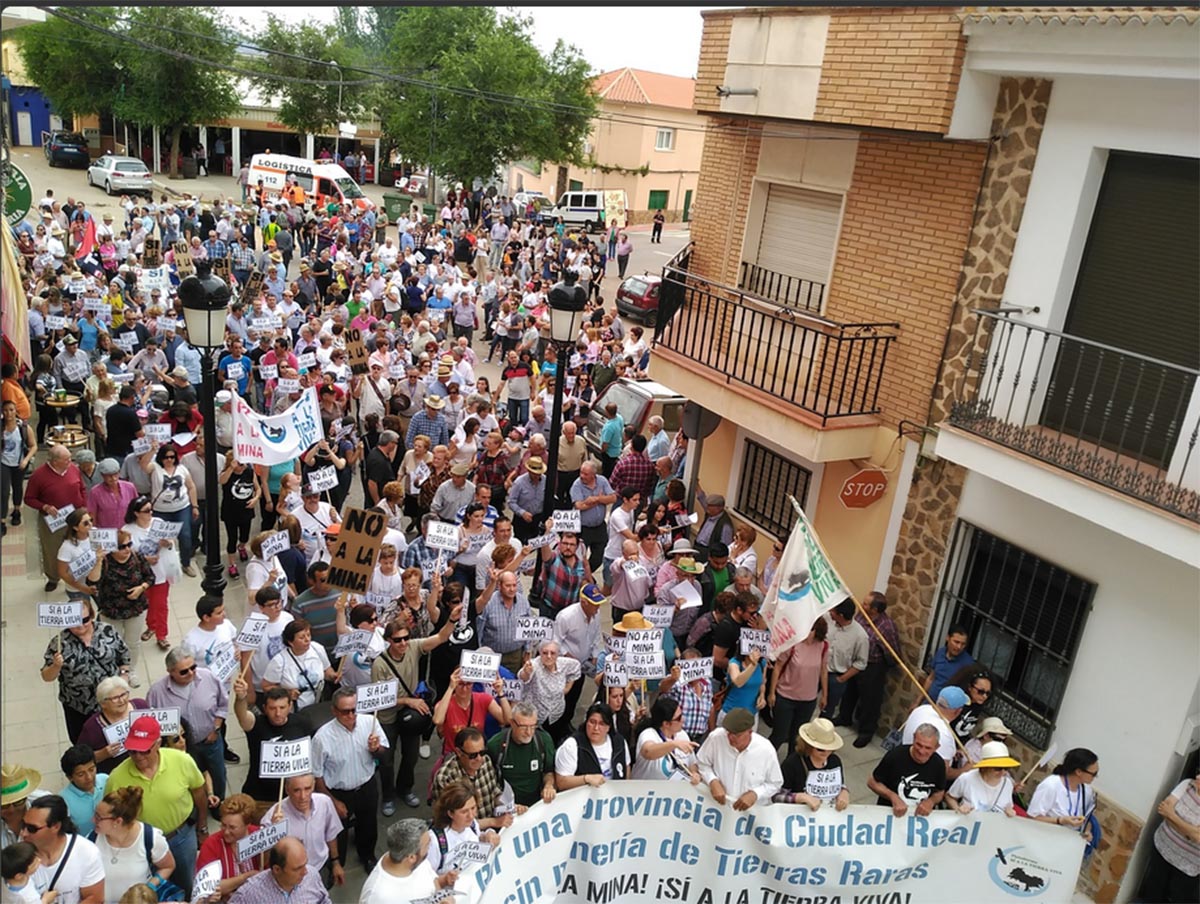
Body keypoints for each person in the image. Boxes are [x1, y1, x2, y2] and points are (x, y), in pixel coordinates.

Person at [107, 715, 208, 896]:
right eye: (132, 751)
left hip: (181, 837)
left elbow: (199, 793)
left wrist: (202, 827)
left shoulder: (182, 760)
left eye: (144, 750)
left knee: (187, 883)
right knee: (150, 891)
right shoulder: (116, 777)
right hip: (142, 844)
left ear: (158, 743)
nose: (138, 756)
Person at [371, 612, 460, 813]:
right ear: (388, 641)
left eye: (405, 638)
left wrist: (452, 620)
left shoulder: (413, 647)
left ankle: (405, 788)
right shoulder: (380, 664)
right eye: (397, 640)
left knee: (411, 756)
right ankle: (388, 796)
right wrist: (407, 700)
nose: (403, 643)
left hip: (411, 716)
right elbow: (378, 697)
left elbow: (440, 638)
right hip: (387, 717)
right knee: (387, 760)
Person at [311, 688, 389, 875]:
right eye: (345, 711)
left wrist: (376, 749)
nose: (351, 715)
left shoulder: (370, 722)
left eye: (354, 709)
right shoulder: (322, 738)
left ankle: (368, 855)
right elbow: (317, 774)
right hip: (338, 792)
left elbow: (384, 753)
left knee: (368, 824)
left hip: (366, 785)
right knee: (338, 832)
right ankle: (337, 862)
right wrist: (332, 802)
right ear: (334, 711)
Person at [41, 595, 133, 743]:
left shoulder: (107, 631)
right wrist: (55, 666)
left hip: (112, 701)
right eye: (74, 622)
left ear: (91, 616)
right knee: (82, 742)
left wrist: (124, 674)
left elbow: (124, 655)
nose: (81, 626)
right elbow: (46, 676)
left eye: (85, 620)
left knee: (118, 741)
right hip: (78, 706)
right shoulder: (59, 643)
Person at [147, 648, 230, 803]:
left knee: (218, 773)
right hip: (179, 749)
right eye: (184, 672)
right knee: (187, 779)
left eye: (193, 667)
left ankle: (219, 802)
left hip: (210, 740)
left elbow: (223, 705)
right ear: (170, 671)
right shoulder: (156, 693)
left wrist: (216, 728)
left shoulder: (208, 677)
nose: (191, 673)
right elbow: (152, 723)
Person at [90, 786, 177, 900]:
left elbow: (168, 866)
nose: (93, 820)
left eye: (98, 817)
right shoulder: (92, 839)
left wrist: (148, 887)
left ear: (118, 821)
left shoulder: (151, 838)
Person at [24, 443, 88, 592]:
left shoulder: (73, 469)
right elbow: (29, 498)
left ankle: (79, 574)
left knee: (79, 546)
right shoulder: (38, 476)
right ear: (54, 461)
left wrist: (84, 507)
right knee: (52, 549)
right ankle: (53, 577)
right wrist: (45, 507)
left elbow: (82, 489)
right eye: (66, 459)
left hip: (76, 515)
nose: (70, 462)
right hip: (53, 520)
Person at [19, 795, 105, 904]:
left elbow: (94, 898)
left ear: (56, 826)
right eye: (23, 825)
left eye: (32, 829)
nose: (23, 833)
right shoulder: (19, 854)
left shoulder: (86, 852)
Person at [840, 591, 900, 748]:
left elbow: (894, 652)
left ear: (875, 610)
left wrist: (883, 666)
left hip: (873, 666)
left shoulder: (887, 627)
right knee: (849, 691)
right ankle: (844, 717)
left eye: (866, 603)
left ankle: (866, 732)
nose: (862, 604)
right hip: (855, 660)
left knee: (870, 701)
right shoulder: (861, 615)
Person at [260, 774, 343, 888]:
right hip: (290, 877)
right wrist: (273, 832)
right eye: (296, 790)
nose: (303, 796)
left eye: (307, 788)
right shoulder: (273, 816)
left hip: (320, 867)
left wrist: (336, 862)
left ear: (313, 786)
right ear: (287, 790)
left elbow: (331, 834)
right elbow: (264, 860)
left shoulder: (324, 802)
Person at [696, 708, 782, 811]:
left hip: (751, 813)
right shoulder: (716, 738)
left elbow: (775, 783)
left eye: (737, 735)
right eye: (728, 733)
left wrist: (756, 794)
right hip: (718, 809)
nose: (730, 737)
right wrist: (712, 781)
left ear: (750, 732)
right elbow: (702, 763)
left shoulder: (766, 750)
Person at [359, 819, 457, 903]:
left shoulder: (419, 861)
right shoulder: (377, 896)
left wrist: (444, 881)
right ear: (411, 857)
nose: (430, 847)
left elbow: (433, 883)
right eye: (428, 845)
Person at [767, 618, 828, 753]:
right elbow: (778, 666)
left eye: (810, 629)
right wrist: (771, 693)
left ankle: (791, 767)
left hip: (808, 699)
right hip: (785, 696)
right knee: (779, 734)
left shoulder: (823, 646)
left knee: (798, 736)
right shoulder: (792, 644)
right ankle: (765, 759)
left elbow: (823, 671)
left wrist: (824, 695)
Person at [195, 794, 266, 901]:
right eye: (223, 825)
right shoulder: (211, 845)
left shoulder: (260, 836)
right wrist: (244, 878)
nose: (226, 832)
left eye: (232, 827)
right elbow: (207, 887)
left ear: (247, 825)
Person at [487, 701, 557, 809]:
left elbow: (548, 771)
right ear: (512, 723)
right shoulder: (496, 745)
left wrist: (548, 785)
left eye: (533, 726)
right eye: (523, 727)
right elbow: (490, 783)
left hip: (537, 805)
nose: (529, 732)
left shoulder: (544, 741)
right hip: (508, 807)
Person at [867, 723, 947, 817]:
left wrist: (931, 801)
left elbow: (940, 792)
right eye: (918, 745)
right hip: (890, 815)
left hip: (920, 819)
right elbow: (872, 782)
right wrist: (892, 796)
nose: (921, 751)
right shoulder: (895, 756)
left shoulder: (939, 764)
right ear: (913, 738)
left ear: (937, 747)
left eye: (928, 748)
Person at [1144, 773, 1200, 904]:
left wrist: (1173, 816)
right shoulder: (1186, 785)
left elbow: (1198, 838)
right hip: (1162, 848)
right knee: (1153, 891)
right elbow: (1164, 810)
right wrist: (1191, 831)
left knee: (1179, 897)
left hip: (1188, 866)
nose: (1197, 776)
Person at [424, 781, 499, 876]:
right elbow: (427, 877)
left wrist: (488, 834)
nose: (471, 816)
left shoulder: (472, 826)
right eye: (464, 812)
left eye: (473, 808)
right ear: (450, 813)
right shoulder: (435, 841)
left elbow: (478, 838)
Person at [774, 718, 850, 811]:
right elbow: (776, 796)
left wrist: (844, 792)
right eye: (820, 749)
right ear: (808, 746)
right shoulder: (792, 763)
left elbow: (839, 784)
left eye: (830, 748)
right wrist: (799, 797)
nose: (826, 752)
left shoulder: (835, 761)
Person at [227, 837, 331, 904]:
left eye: (305, 864)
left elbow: (324, 901)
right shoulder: (249, 894)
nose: (305, 872)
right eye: (297, 868)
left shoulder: (312, 876)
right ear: (277, 869)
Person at [77, 677, 148, 775]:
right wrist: (103, 754)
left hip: (148, 765)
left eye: (124, 694)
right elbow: (80, 758)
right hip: (118, 774)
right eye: (115, 698)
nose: (122, 700)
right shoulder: (92, 727)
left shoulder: (141, 706)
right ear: (103, 704)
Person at [261, 619, 335, 713]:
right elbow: (266, 686)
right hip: (295, 710)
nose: (307, 640)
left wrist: (333, 676)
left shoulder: (317, 649)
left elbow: (327, 671)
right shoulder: (279, 661)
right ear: (291, 642)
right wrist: (287, 693)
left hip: (318, 705)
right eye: (302, 637)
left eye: (308, 635)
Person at [554, 703, 630, 790]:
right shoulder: (572, 745)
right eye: (592, 722)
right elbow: (561, 782)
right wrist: (585, 779)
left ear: (608, 727)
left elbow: (626, 769)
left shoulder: (620, 742)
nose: (596, 728)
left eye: (601, 724)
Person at [1027, 747, 1100, 838]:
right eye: (1093, 774)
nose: (1095, 777)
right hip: (1045, 838)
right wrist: (1060, 820)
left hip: (1069, 842)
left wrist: (1087, 831)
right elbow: (1032, 818)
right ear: (1078, 771)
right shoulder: (1051, 785)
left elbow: (1087, 818)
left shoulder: (1087, 791)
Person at [518, 641, 581, 737]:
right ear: (540, 653)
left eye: (553, 653)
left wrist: (567, 688)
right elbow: (522, 677)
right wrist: (526, 672)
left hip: (556, 714)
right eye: (545, 653)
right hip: (535, 716)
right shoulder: (534, 665)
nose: (548, 656)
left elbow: (576, 668)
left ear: (558, 654)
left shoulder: (564, 663)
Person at [630, 697, 700, 783]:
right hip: (647, 793)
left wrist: (694, 773)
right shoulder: (649, 734)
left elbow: (692, 763)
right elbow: (648, 752)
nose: (683, 720)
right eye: (678, 718)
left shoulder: (682, 735)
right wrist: (674, 744)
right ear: (666, 723)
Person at [823, 600, 869, 722]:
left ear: (841, 615)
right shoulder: (827, 619)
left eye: (833, 611)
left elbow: (861, 663)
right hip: (817, 670)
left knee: (827, 710)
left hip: (836, 676)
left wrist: (842, 679)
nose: (830, 612)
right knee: (806, 703)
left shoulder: (860, 636)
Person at [946, 741, 1019, 817]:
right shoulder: (966, 778)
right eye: (998, 768)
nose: (1003, 772)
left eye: (1006, 768)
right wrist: (958, 809)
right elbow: (949, 797)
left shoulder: (1007, 783)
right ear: (985, 767)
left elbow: (1008, 805)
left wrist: (1010, 811)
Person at [901, 686, 968, 765]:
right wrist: (965, 769)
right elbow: (944, 772)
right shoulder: (945, 734)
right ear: (958, 711)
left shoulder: (922, 708)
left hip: (903, 757)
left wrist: (951, 752)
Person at [0, 400, 35, 536]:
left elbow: (33, 446)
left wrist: (26, 460)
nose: (9, 413)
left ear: (16, 411)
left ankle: (16, 510)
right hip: (3, 463)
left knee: (17, 487)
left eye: (11, 410)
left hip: (19, 462)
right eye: (6, 410)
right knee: (3, 491)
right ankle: (2, 520)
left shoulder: (23, 428)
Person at [58, 745, 107, 838]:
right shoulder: (63, 801)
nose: (89, 777)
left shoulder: (106, 780)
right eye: (81, 774)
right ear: (69, 777)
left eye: (91, 769)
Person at [922, 623, 974, 703]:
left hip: (946, 709)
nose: (959, 647)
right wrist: (917, 701)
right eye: (956, 642)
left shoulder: (968, 664)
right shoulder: (940, 652)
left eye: (963, 644)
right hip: (928, 703)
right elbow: (931, 678)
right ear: (948, 638)